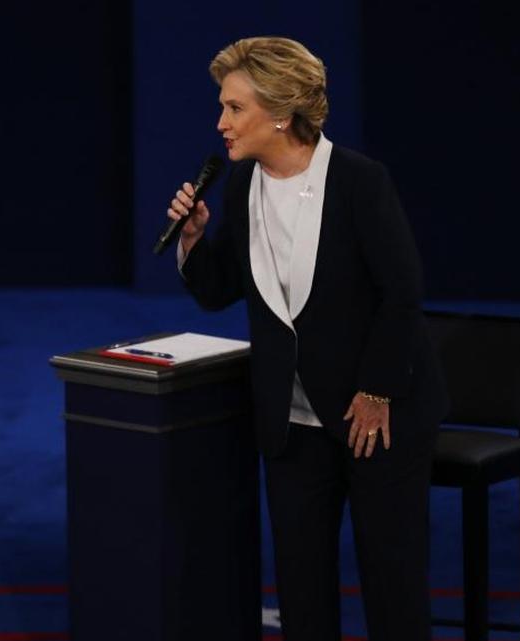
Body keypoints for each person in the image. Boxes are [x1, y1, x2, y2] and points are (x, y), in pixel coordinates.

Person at [167, 37, 449, 641]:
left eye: (234, 108)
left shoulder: (358, 181)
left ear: (279, 110)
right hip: (292, 421)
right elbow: (223, 290)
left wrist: (377, 390)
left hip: (374, 418)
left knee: (392, 582)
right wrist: (191, 241)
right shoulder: (242, 186)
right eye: (222, 107)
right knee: (301, 590)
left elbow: (402, 293)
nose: (221, 123)